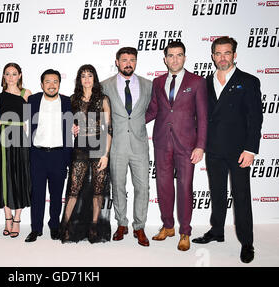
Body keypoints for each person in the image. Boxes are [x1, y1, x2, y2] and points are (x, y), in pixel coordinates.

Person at [192, 37, 263, 263]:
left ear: (234, 55)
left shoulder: (248, 81)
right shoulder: (205, 82)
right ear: (212, 56)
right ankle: (217, 231)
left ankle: (247, 242)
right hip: (213, 149)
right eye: (218, 53)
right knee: (218, 193)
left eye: (227, 53)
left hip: (238, 150)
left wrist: (251, 149)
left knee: (241, 196)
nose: (222, 57)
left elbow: (255, 119)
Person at [146, 41, 207, 251]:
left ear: (185, 57)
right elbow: (153, 110)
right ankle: (168, 226)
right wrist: (127, 121)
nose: (174, 59)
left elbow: (203, 117)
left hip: (187, 145)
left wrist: (200, 145)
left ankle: (185, 232)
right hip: (162, 142)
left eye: (179, 55)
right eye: (170, 55)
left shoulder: (197, 82)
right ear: (165, 59)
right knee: (163, 186)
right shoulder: (157, 81)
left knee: (184, 187)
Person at [101, 47, 153, 246]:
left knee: (143, 188)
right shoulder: (105, 85)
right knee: (118, 187)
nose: (128, 63)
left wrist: (138, 124)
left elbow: (153, 110)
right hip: (116, 146)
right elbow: (98, 114)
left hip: (140, 145)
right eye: (124, 60)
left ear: (136, 62)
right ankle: (121, 223)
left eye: (132, 59)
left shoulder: (148, 85)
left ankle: (139, 227)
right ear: (117, 62)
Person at [59, 64, 112, 244]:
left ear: (94, 78)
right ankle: (65, 226)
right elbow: (67, 123)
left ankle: (94, 226)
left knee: (98, 190)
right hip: (80, 145)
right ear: (79, 79)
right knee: (74, 189)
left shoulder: (103, 99)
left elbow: (108, 129)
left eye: (90, 75)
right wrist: (72, 127)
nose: (87, 79)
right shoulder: (73, 99)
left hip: (99, 146)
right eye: (83, 76)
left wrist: (105, 154)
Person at [25, 69, 73, 243]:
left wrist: (76, 128)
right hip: (37, 154)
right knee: (36, 194)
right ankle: (35, 229)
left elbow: (78, 123)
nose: (51, 85)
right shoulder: (33, 100)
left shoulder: (68, 102)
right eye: (48, 81)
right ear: (41, 84)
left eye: (55, 82)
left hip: (59, 155)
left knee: (56, 195)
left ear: (59, 84)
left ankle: (54, 227)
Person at [0, 63, 32, 238]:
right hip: (1, 138)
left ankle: (17, 218)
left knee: (18, 176)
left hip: (20, 138)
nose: (11, 77)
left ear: (20, 75)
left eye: (14, 74)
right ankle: (7, 217)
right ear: (4, 77)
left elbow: (30, 121)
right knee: (3, 177)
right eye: (8, 74)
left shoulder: (26, 94)